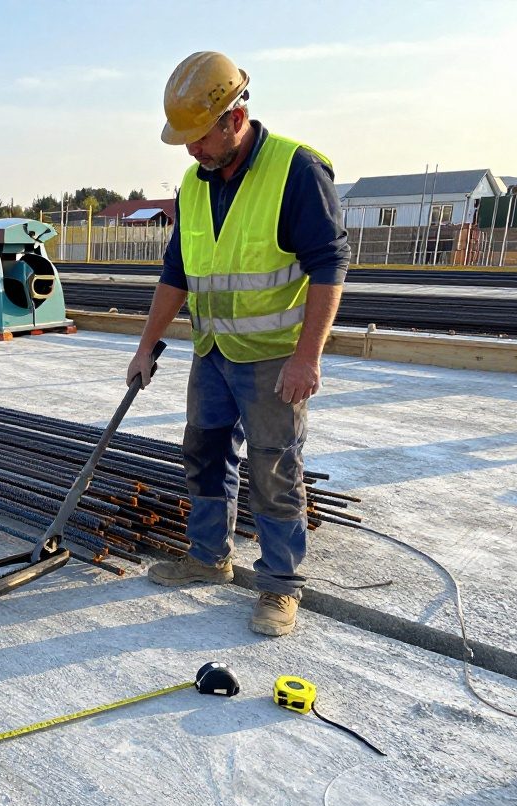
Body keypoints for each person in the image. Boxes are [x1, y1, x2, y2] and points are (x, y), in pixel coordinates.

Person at [126, 51, 350, 637]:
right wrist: (147, 345)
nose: (192, 151)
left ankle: (280, 587)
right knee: (204, 453)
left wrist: (308, 357)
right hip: (213, 352)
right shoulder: (194, 182)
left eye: (199, 138)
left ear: (236, 116)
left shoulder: (296, 170)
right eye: (185, 142)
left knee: (275, 469)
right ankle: (208, 558)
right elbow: (177, 271)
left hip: (275, 355)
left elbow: (329, 266)